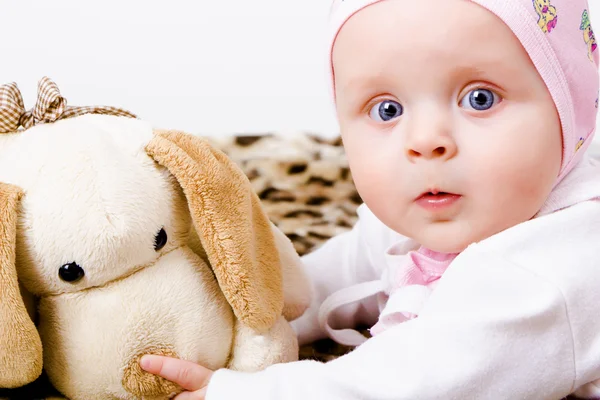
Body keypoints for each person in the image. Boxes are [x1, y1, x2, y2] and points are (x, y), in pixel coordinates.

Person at [139, 0, 600, 398]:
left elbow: (418, 383)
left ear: (572, 108)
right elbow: (334, 273)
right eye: (388, 110)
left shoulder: (547, 274)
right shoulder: (439, 202)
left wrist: (255, 392)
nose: (425, 141)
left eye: (479, 98)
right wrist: (243, 323)